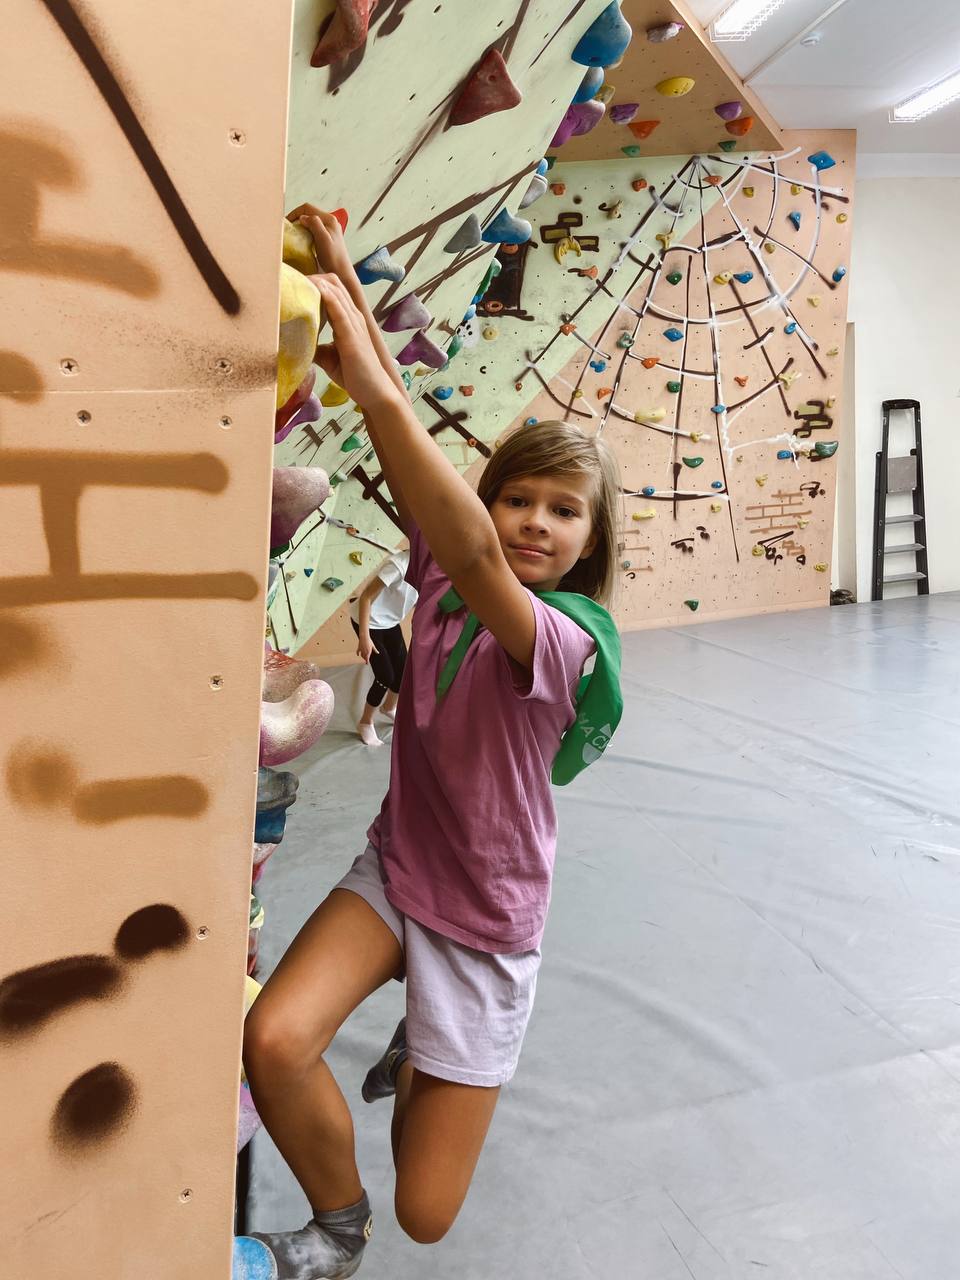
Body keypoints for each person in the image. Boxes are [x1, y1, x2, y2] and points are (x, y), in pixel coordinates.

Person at [236, 207, 623, 1280]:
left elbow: (468, 537)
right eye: (516, 499)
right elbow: (419, 464)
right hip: (400, 869)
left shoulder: (565, 642)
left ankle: (422, 1054)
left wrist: (374, 386)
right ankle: (335, 1229)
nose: (534, 521)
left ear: (592, 540)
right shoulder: (447, 566)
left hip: (485, 923)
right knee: (273, 1040)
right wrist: (343, 275)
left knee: (432, 1211)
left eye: (563, 511)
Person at [350, 550, 417, 747]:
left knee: (402, 671)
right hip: (368, 621)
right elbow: (366, 598)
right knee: (385, 676)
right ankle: (365, 721)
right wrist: (364, 637)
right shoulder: (398, 565)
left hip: (390, 621)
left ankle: (388, 707)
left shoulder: (432, 567)